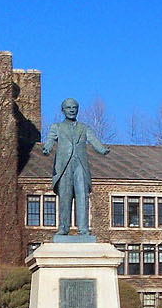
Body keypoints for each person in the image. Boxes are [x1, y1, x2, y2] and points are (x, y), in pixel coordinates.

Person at [40, 98, 111, 238]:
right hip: (64, 166)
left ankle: (83, 229)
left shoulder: (84, 128)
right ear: (63, 110)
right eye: (68, 107)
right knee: (65, 198)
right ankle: (63, 227)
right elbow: (49, 139)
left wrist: (102, 149)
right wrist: (47, 148)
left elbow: (93, 140)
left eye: (74, 107)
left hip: (80, 165)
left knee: (82, 196)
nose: (72, 110)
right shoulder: (56, 127)